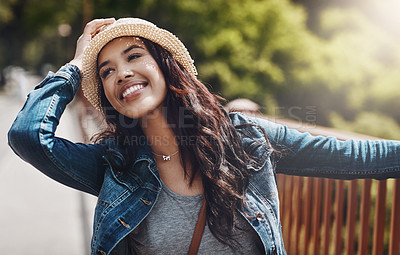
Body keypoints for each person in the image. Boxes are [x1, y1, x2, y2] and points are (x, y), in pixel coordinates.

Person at [7, 17, 400, 255]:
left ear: (165, 66)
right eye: (106, 71)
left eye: (133, 56)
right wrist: (76, 66)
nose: (122, 73)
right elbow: (27, 136)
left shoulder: (244, 139)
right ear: (108, 95)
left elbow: (355, 155)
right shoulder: (114, 164)